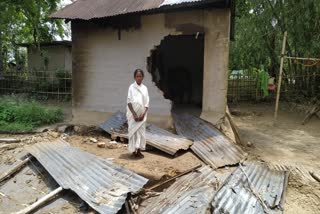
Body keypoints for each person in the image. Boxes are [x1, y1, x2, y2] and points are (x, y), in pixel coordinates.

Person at [126, 69, 149, 158]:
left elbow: (147, 102)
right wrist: (134, 114)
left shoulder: (145, 88)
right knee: (133, 132)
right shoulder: (131, 87)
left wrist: (143, 114)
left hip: (142, 115)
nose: (139, 78)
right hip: (133, 114)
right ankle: (133, 151)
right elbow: (129, 101)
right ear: (134, 77)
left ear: (143, 77)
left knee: (141, 133)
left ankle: (139, 150)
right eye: (137, 76)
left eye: (140, 76)